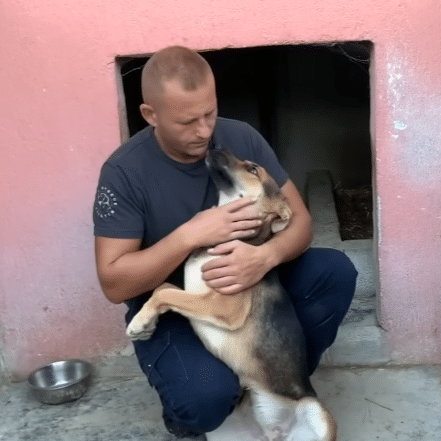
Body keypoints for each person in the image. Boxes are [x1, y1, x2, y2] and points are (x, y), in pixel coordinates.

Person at [93, 45, 357, 440]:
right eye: (187, 122)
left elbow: (300, 221)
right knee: (204, 397)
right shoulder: (124, 173)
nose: (204, 131)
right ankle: (199, 412)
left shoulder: (241, 139)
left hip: (250, 285)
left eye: (210, 113)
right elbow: (115, 284)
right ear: (150, 115)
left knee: (333, 272)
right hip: (176, 304)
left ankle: (270, 383)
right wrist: (190, 235)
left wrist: (265, 257)